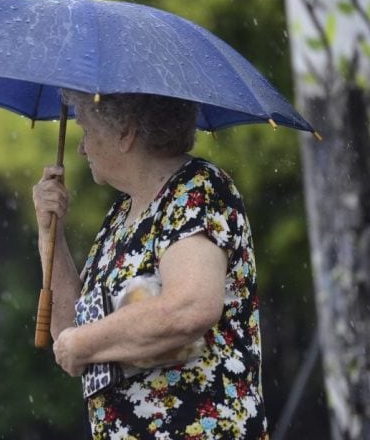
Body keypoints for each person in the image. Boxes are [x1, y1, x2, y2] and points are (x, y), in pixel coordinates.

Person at [32, 90, 268, 439]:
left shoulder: (198, 189)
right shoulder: (120, 215)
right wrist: (50, 233)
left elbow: (189, 309)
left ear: (125, 133)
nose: (82, 148)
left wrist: (83, 343)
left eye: (87, 131)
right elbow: (69, 327)